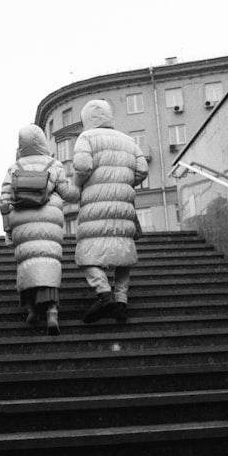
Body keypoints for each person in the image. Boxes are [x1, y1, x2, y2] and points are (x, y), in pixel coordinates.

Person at [72, 100, 149, 323]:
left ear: (86, 118)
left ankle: (104, 294)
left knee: (87, 253)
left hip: (95, 202)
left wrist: (79, 184)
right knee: (123, 254)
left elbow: (82, 166)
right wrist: (124, 182)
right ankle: (121, 303)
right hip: (123, 203)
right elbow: (142, 170)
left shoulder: (86, 138)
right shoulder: (129, 141)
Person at [0, 124, 80, 335]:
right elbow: (67, 193)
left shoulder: (13, 168)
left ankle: (32, 310)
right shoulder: (54, 164)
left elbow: (5, 200)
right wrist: (83, 188)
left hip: (22, 219)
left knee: (27, 262)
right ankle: (52, 310)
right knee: (47, 261)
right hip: (48, 219)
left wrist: (8, 228)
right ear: (42, 141)